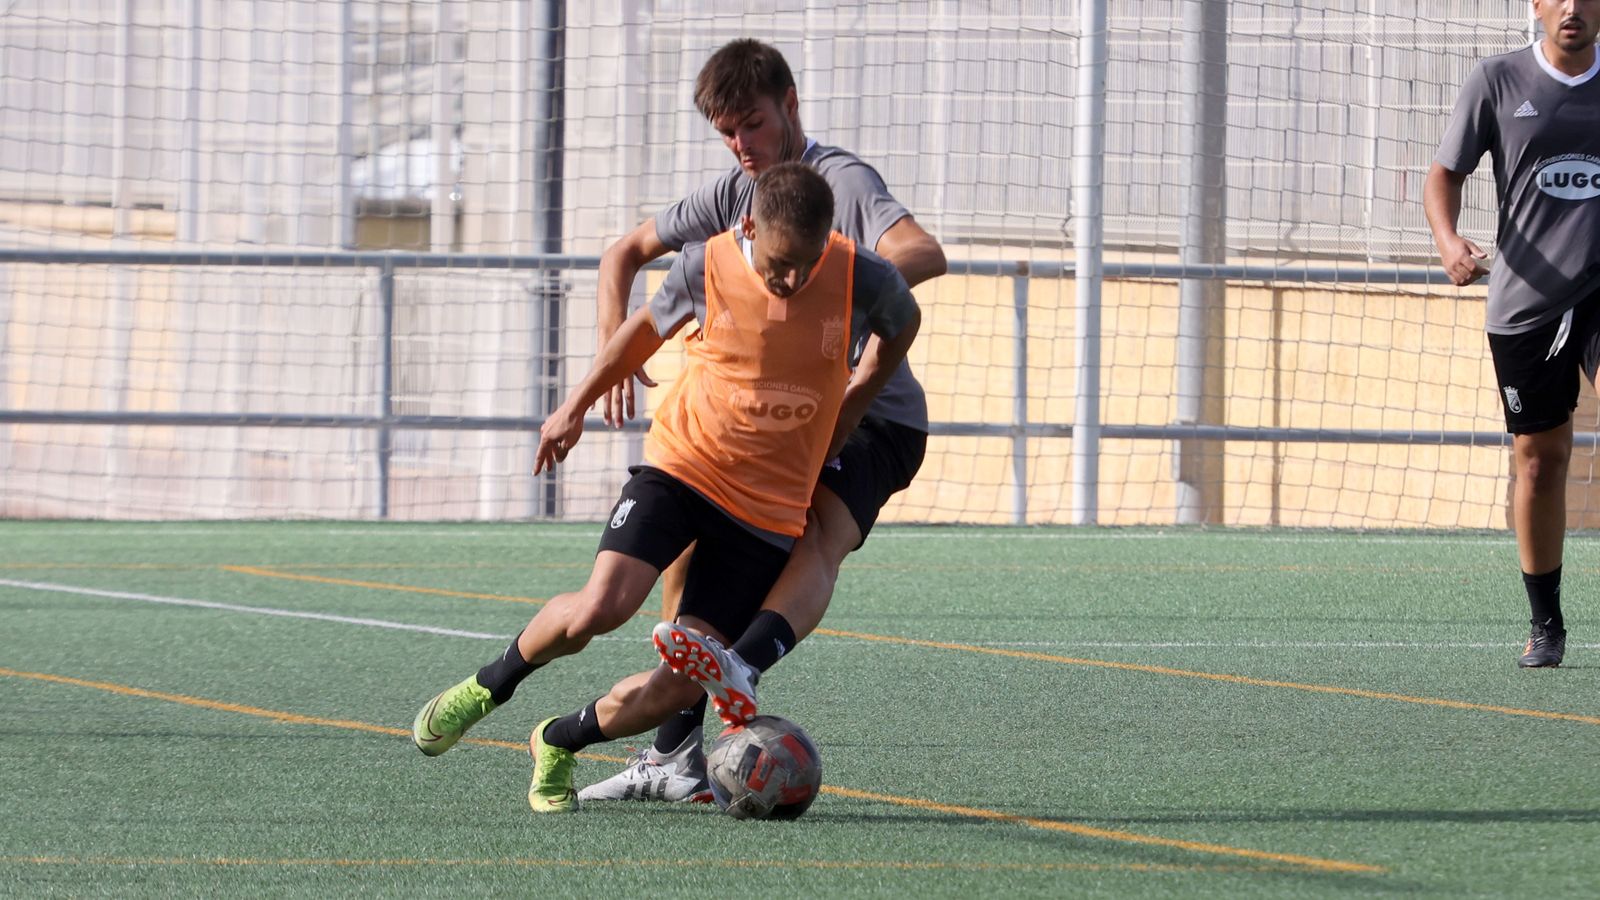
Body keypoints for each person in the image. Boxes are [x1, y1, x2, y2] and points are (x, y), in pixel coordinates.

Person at [410, 162, 923, 813]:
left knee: (681, 688)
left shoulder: (863, 277)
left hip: (765, 511)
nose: (791, 279)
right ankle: (491, 685)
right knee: (604, 606)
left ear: (830, 240)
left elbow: (904, 323)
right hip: (684, 467)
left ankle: (557, 739)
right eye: (778, 262)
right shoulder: (705, 266)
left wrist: (851, 405)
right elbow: (642, 333)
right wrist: (573, 407)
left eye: (807, 262)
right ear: (747, 228)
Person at [576, 37, 946, 803]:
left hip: (872, 415)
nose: (742, 144)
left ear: (791, 106)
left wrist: (834, 292)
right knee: (690, 520)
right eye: (727, 132)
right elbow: (623, 253)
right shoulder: (732, 197)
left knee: (817, 533)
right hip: (780, 423)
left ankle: (744, 661)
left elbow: (922, 251)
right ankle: (675, 752)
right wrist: (615, 358)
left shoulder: (840, 182)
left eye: (753, 124)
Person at [1424, 0, 1600, 668]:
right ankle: (1547, 624)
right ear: (1536, 5)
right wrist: (1447, 242)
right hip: (1527, 300)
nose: (1573, 9)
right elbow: (1445, 173)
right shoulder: (1497, 80)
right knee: (1540, 457)